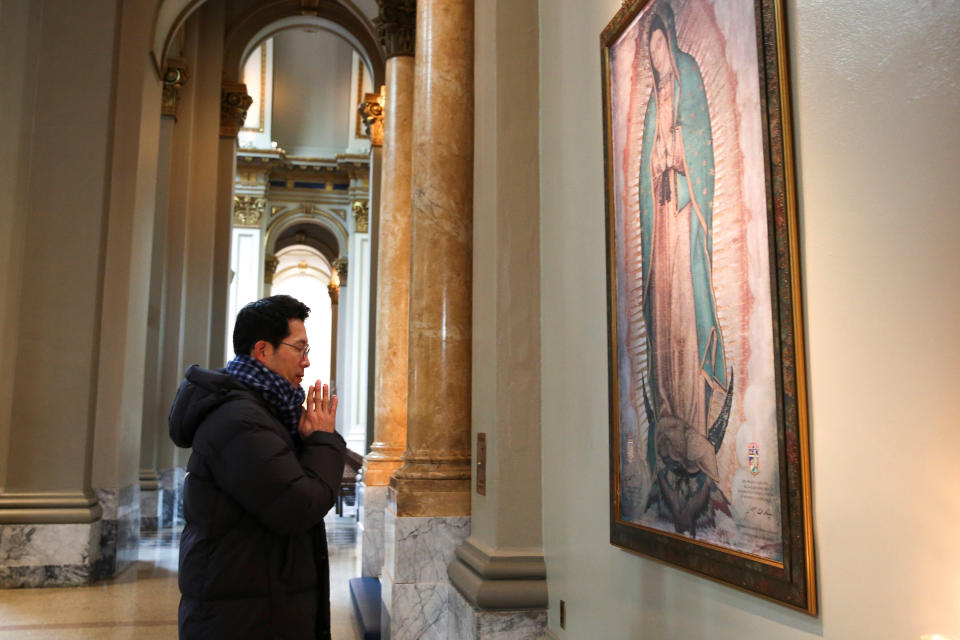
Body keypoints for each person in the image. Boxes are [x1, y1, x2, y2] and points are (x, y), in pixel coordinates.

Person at [168, 295, 346, 639]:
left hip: (259, 601)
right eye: (300, 349)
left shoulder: (264, 411)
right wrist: (322, 441)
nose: (306, 363)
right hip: (243, 617)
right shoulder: (239, 420)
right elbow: (298, 506)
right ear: (263, 350)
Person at [638, 4, 728, 533]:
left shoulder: (690, 77)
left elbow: (703, 151)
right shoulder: (653, 102)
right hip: (663, 232)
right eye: (647, 52)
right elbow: (652, 161)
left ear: (670, 43)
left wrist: (680, 157)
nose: (656, 57)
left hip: (686, 220)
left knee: (686, 321)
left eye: (658, 46)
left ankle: (692, 415)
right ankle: (670, 410)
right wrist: (657, 162)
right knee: (666, 320)